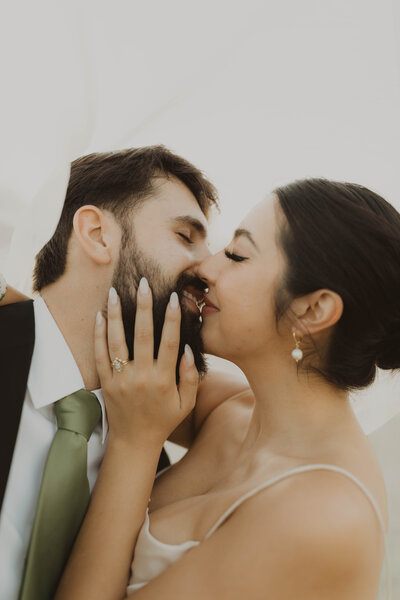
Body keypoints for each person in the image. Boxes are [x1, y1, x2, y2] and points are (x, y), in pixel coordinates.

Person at [55, 178, 399, 600]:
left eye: (237, 255)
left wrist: (134, 444)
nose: (205, 268)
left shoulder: (322, 517)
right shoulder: (233, 409)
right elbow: (113, 355)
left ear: (313, 310)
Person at [0, 146, 250, 600]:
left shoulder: (149, 467)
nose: (208, 268)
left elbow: (255, 404)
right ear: (97, 234)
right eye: (186, 236)